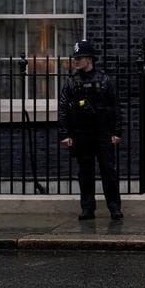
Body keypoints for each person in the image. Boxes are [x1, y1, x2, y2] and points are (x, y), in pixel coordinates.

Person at [59, 40, 124, 221]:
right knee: (85, 173)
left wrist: (117, 132)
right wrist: (64, 134)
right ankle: (87, 209)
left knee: (108, 171)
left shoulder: (104, 80)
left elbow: (116, 106)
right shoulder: (71, 82)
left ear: (89, 59)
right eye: (75, 58)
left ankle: (114, 208)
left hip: (102, 132)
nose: (76, 61)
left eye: (79, 58)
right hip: (81, 133)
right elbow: (63, 108)